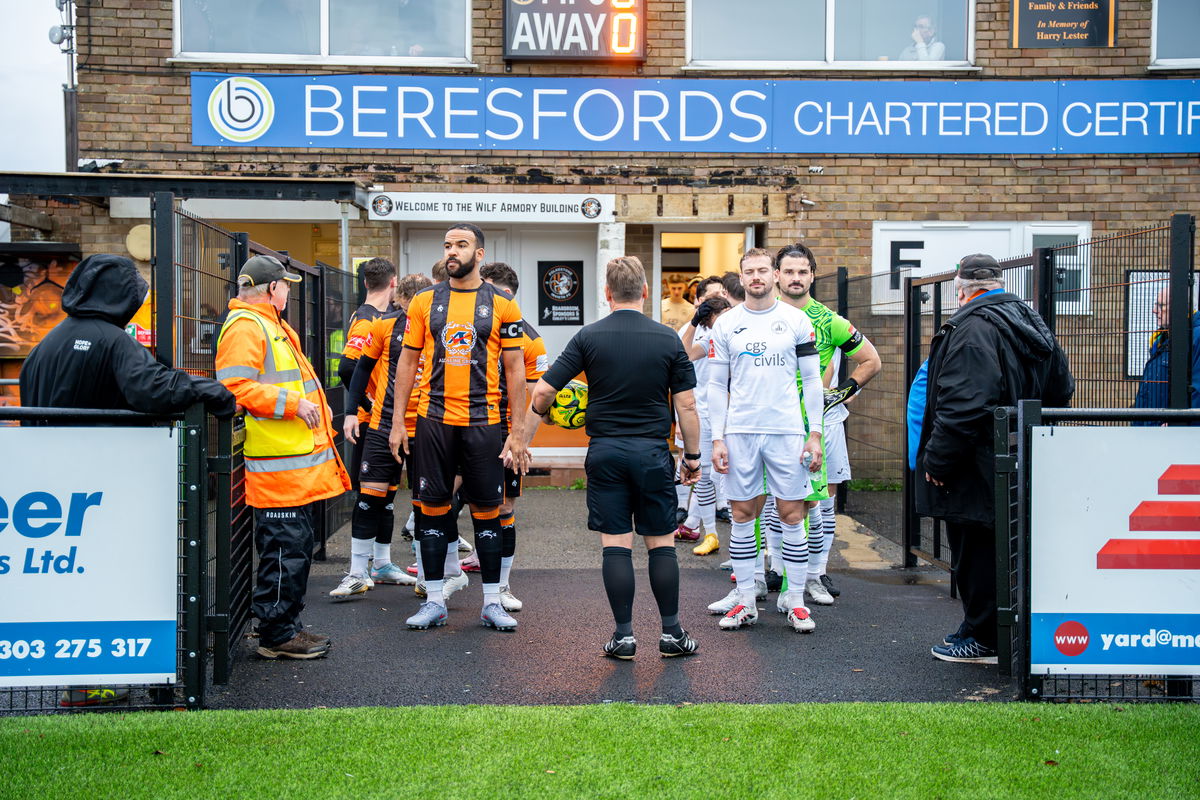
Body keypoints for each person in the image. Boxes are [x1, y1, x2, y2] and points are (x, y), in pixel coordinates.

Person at [20, 253, 238, 706]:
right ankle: (97, 683)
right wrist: (212, 391)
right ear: (121, 297)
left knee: (74, 581)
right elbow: (152, 389)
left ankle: (82, 679)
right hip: (103, 486)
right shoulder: (113, 341)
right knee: (115, 580)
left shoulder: (47, 344)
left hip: (48, 491)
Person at [520, 255, 702, 660]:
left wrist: (542, 417)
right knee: (661, 544)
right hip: (652, 453)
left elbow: (543, 391)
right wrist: (692, 458)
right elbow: (687, 407)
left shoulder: (589, 337)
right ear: (646, 291)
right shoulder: (668, 339)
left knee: (616, 545)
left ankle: (623, 637)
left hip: (605, 453)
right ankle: (672, 634)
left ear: (607, 293)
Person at [916, 254, 1073, 664]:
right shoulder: (1029, 319)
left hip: (976, 463)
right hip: (1019, 454)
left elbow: (964, 404)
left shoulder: (973, 328)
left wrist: (937, 461)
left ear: (960, 288)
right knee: (1005, 546)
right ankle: (984, 629)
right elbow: (1061, 388)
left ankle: (984, 638)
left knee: (975, 549)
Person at [387, 224, 530, 633]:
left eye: (461, 245)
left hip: (484, 423)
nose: (452, 251)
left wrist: (518, 432)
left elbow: (516, 369)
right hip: (433, 422)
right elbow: (407, 362)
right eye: (448, 245)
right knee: (432, 509)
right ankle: (434, 601)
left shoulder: (502, 304)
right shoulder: (424, 301)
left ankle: (492, 602)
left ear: (479, 254)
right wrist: (398, 422)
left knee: (488, 513)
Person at [216, 254, 351, 660]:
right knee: (284, 551)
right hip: (278, 467)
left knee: (292, 548)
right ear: (273, 288)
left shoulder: (266, 324)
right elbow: (234, 387)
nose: (288, 292)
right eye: (286, 285)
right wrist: (294, 404)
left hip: (289, 464)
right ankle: (276, 635)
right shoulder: (248, 325)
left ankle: (285, 627)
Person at [707, 248, 826, 633]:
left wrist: (815, 433)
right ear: (741, 278)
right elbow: (716, 385)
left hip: (786, 431)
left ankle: (795, 601)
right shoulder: (726, 324)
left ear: (774, 275)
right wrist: (717, 438)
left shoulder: (796, 320)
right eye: (749, 272)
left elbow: (812, 380)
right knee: (742, 514)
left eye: (762, 270)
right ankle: (745, 601)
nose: (756, 277)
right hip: (741, 432)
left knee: (792, 515)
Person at [776, 243, 882, 602]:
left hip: (819, 426)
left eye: (802, 271)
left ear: (812, 275)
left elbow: (871, 360)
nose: (795, 278)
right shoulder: (764, 315)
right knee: (776, 503)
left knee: (820, 501)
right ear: (777, 275)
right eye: (789, 271)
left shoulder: (828, 320)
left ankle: (815, 575)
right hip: (775, 423)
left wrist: (837, 394)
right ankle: (776, 573)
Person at [335, 270, 423, 599]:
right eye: (409, 305)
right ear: (400, 300)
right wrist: (351, 411)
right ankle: (358, 573)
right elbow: (359, 368)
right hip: (384, 425)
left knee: (426, 504)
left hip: (426, 426)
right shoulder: (383, 325)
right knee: (370, 498)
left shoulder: (439, 329)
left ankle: (428, 576)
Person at [479, 261, 549, 612]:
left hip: (505, 432)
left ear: (505, 294)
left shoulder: (530, 339)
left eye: (488, 289)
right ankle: (443, 575)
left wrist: (520, 440)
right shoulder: (473, 328)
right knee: (446, 500)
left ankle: (502, 586)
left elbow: (537, 398)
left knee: (504, 506)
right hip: (466, 425)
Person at [673, 276, 733, 555]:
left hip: (735, 414)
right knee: (704, 474)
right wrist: (696, 321)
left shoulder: (738, 331)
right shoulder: (707, 334)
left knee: (733, 478)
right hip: (705, 412)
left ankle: (751, 546)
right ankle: (710, 533)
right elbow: (684, 354)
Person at [338, 257, 397, 490]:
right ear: (393, 282)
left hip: (383, 418)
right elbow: (347, 366)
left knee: (386, 491)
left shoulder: (384, 314)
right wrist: (366, 403)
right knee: (369, 493)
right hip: (369, 420)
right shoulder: (366, 320)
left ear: (365, 283)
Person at [1132, 285, 1200, 422]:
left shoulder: (1196, 337)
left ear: (1180, 306)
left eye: (1160, 305)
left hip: (1173, 430)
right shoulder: (1161, 339)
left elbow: (1197, 390)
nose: (1154, 310)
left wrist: (1179, 423)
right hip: (1151, 426)